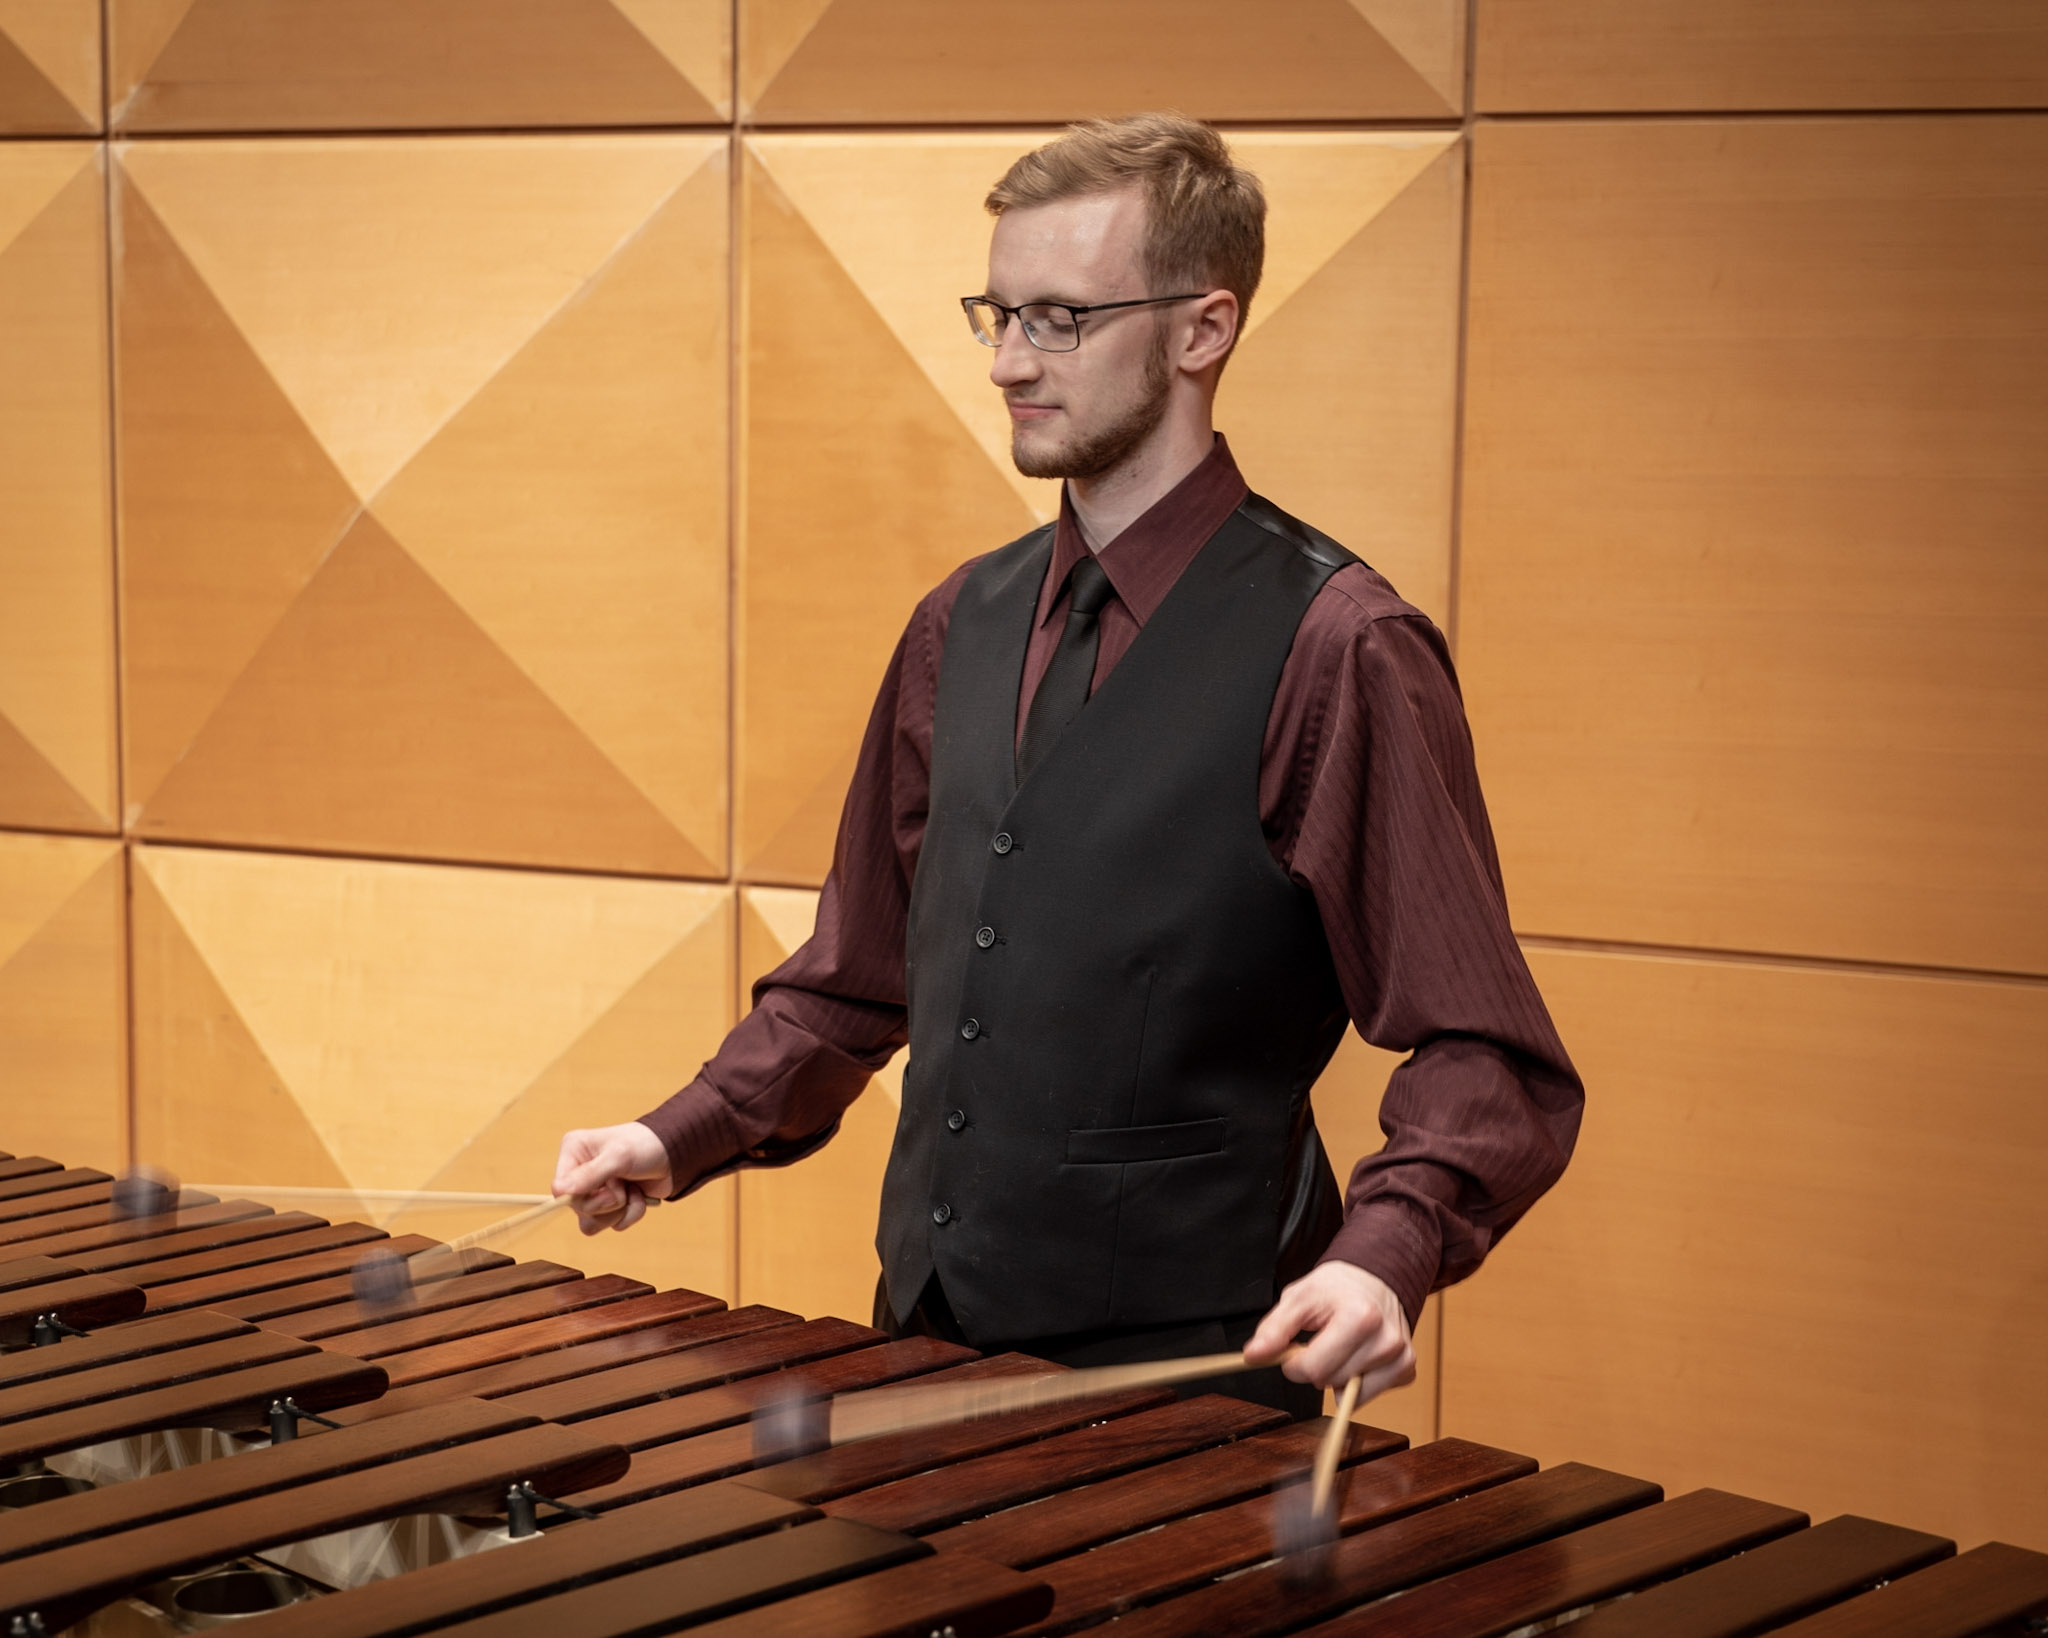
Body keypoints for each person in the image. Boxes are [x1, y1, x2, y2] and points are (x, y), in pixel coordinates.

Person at [555, 113, 1582, 1418]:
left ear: (1201, 330)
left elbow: (1482, 1044)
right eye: (997, 313)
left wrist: (1385, 1256)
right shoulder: (956, 624)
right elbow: (854, 980)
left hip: (1192, 1391)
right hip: (922, 1346)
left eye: (1059, 320)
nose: (1005, 363)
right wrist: (676, 1130)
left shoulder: (1339, 645)